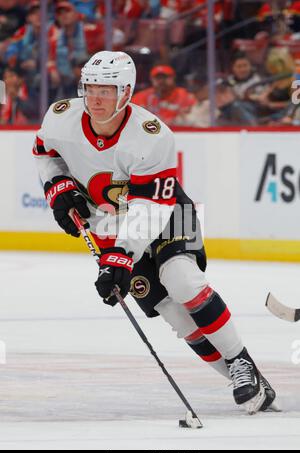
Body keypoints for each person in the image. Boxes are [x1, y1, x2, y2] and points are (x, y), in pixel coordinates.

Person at [33, 50, 278, 415]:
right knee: (173, 314)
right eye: (90, 88)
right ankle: (243, 379)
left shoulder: (151, 136)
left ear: (127, 92)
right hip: (106, 222)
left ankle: (241, 362)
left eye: (107, 89)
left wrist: (121, 256)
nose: (95, 98)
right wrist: (57, 185)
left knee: (182, 282)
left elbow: (150, 208)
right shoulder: (60, 117)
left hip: (166, 214)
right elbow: (44, 152)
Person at [131, 64, 197, 126]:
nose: (161, 81)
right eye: (158, 78)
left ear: (173, 78)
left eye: (165, 77)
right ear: (151, 79)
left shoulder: (185, 96)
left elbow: (193, 120)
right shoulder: (141, 97)